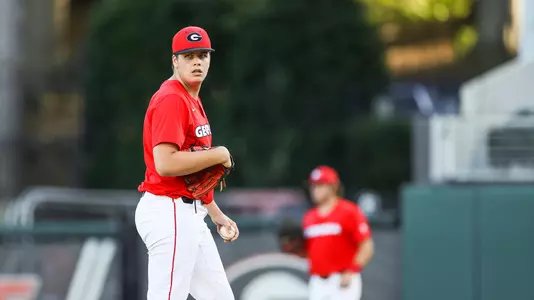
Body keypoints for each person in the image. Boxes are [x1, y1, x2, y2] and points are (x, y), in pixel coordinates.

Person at [135, 26, 238, 300]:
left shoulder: (191, 98)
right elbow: (165, 164)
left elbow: (193, 174)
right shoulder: (172, 98)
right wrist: (218, 154)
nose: (197, 62)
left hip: (189, 212)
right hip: (168, 210)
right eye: (189, 55)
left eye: (202, 55)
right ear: (174, 60)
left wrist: (215, 212)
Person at [302, 165, 375, 300]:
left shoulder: (349, 211)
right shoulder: (309, 217)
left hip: (342, 278)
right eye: (313, 186)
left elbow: (367, 245)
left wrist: (352, 269)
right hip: (318, 280)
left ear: (333, 187)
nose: (315, 190)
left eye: (320, 185)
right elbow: (310, 251)